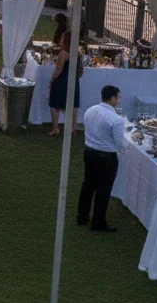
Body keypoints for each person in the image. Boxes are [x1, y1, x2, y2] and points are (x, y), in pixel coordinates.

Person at [78, 84, 127, 232]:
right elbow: (119, 142)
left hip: (89, 152)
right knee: (103, 190)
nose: (118, 100)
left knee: (88, 185)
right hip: (106, 157)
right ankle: (98, 222)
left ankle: (82, 216)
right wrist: (126, 150)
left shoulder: (90, 110)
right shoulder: (116, 119)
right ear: (112, 99)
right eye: (118, 97)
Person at [48, 38, 84, 137]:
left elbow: (59, 68)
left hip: (62, 80)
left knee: (55, 103)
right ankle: (73, 128)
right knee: (73, 105)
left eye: (62, 38)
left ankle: (55, 128)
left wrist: (52, 80)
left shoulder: (63, 53)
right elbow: (81, 72)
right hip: (74, 80)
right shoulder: (78, 53)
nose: (60, 40)